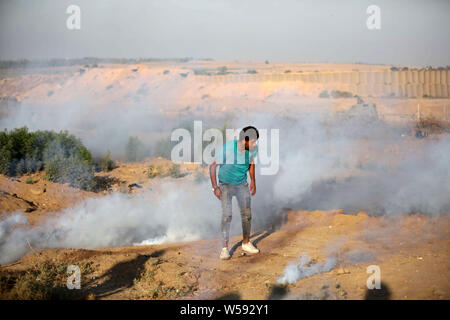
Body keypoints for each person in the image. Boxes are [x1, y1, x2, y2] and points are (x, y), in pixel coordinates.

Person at [209, 126, 260, 260]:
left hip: (242, 184)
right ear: (245, 140)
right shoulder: (229, 148)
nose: (255, 145)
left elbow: (251, 164)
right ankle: (225, 248)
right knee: (227, 215)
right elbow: (213, 166)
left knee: (247, 214)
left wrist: (253, 181)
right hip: (225, 184)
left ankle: (246, 243)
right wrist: (215, 187)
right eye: (253, 142)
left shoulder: (252, 150)